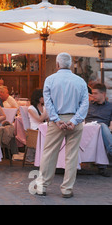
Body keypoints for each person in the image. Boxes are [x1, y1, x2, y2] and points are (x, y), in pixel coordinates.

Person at [34, 52, 89, 198]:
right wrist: (75, 120)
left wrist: (57, 120)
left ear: (57, 64)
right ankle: (67, 189)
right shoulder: (80, 81)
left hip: (56, 121)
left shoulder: (50, 80)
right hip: (74, 121)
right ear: (70, 64)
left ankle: (42, 186)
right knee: (71, 156)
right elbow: (85, 104)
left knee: (49, 153)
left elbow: (48, 102)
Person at [84, 83, 112, 177]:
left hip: (103, 131)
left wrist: (108, 129)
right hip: (88, 131)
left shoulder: (110, 106)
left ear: (103, 94)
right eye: (92, 93)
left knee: (102, 127)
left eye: (95, 93)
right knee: (102, 126)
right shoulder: (88, 105)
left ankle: (102, 167)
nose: (93, 95)